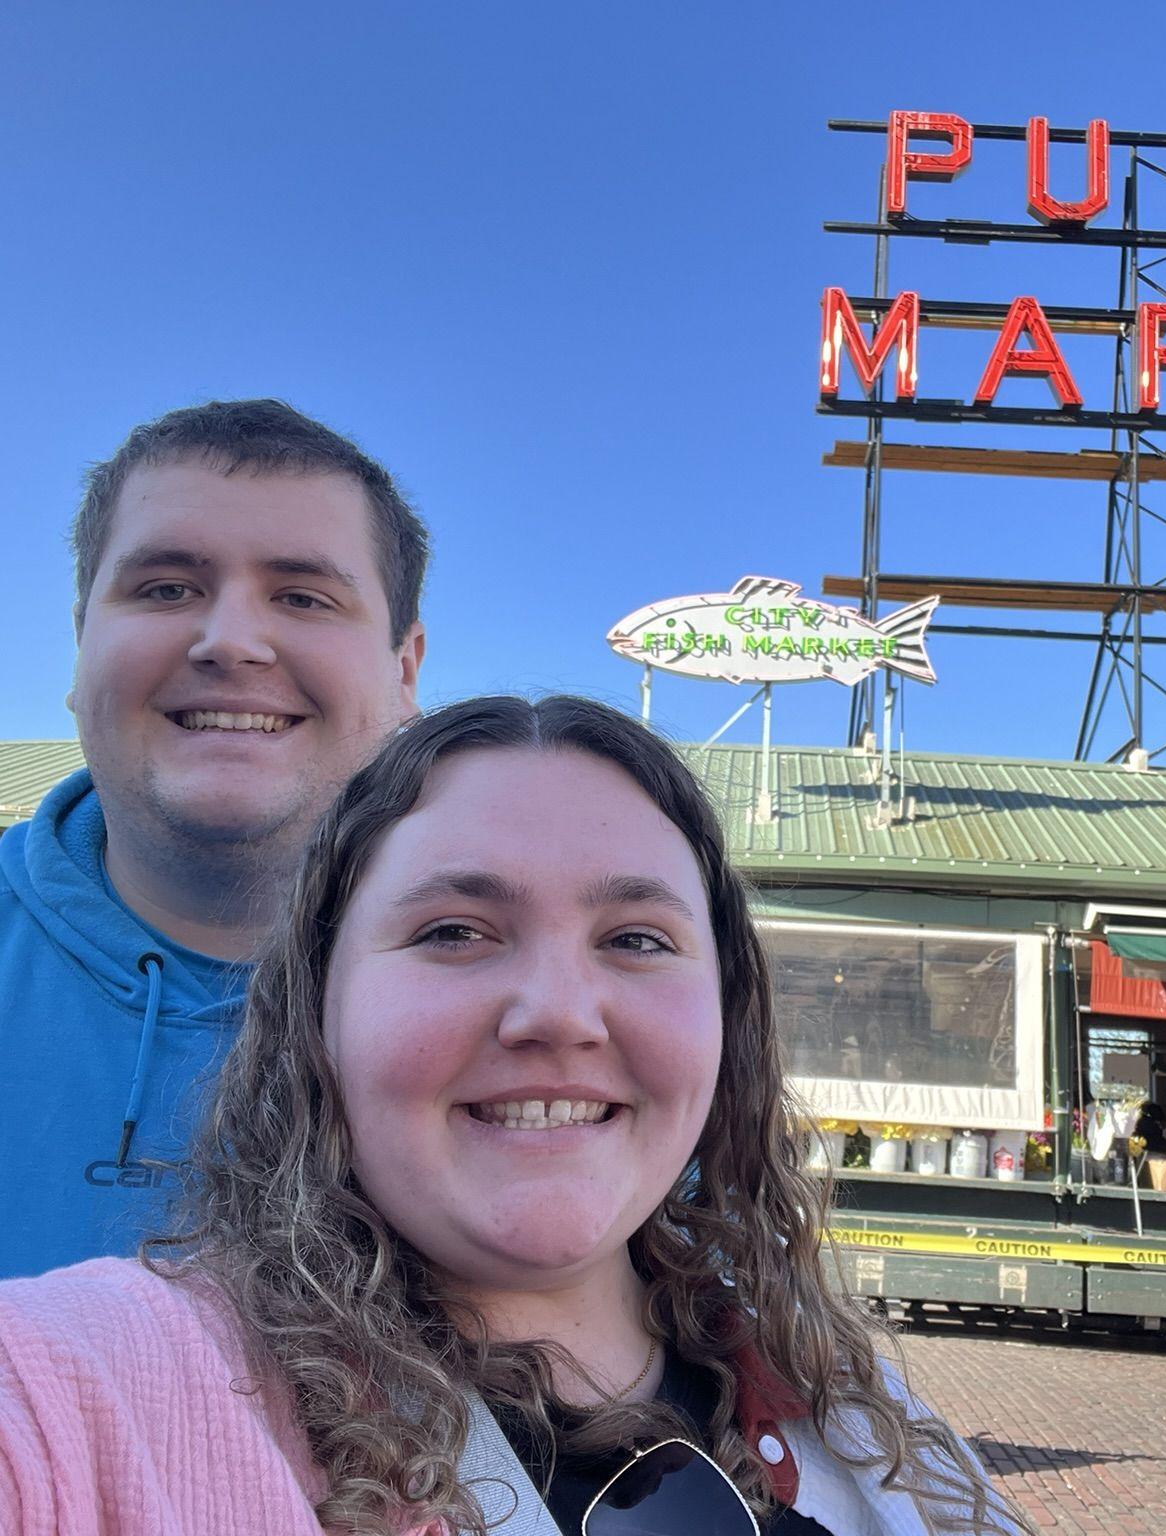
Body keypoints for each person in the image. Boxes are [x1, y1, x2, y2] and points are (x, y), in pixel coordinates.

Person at [0, 696, 1027, 1536]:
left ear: (728, 1020)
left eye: (636, 940)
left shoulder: (849, 1403)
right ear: (318, 1012)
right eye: (455, 930)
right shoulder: (86, 1393)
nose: (559, 1015)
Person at [0, 399, 429, 1279]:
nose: (231, 641)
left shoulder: (545, 1006)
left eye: (304, 596)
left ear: (405, 671)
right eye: (166, 588)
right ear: (81, 643)